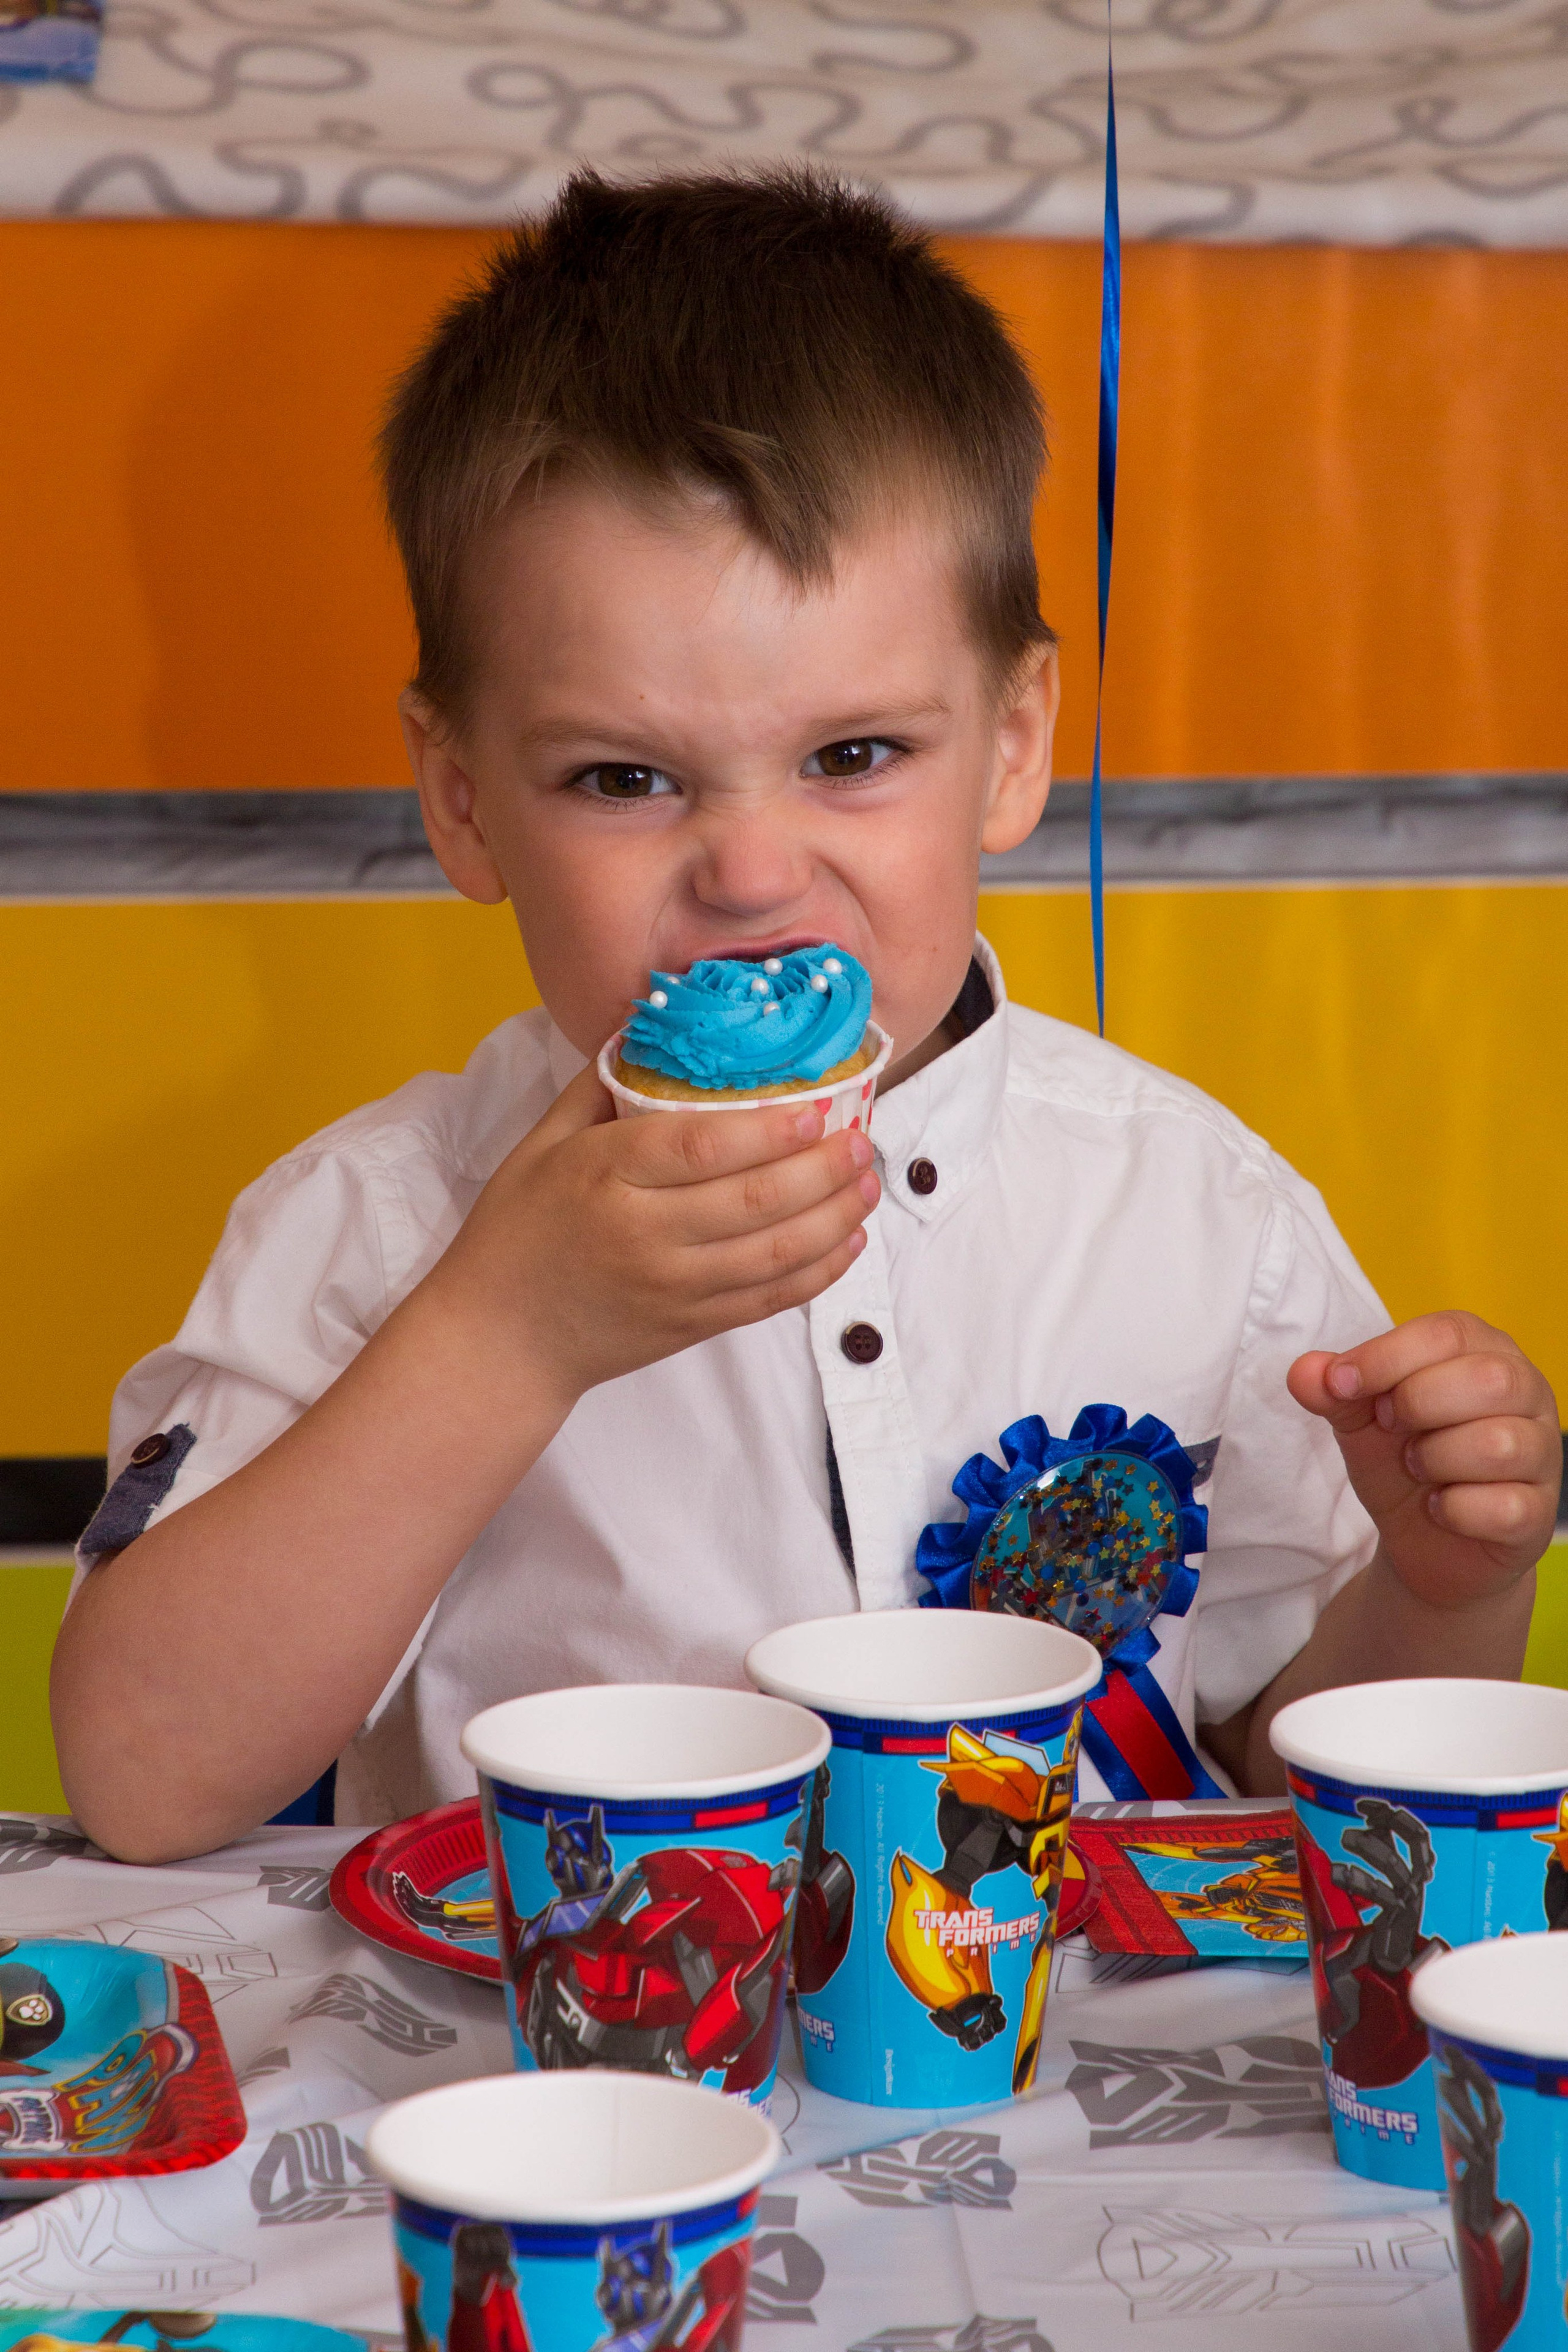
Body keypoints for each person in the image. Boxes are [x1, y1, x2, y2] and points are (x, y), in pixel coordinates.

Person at [51, 168, 1560, 1864]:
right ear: (464, 801)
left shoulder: (1198, 1218)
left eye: (853, 756)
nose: (754, 873)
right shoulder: (380, 1227)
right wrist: (505, 1337)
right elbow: (145, 1780)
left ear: (1012, 744)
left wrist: (1447, 1588)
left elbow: (1295, 1799)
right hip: (561, 2028)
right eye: (624, 778)